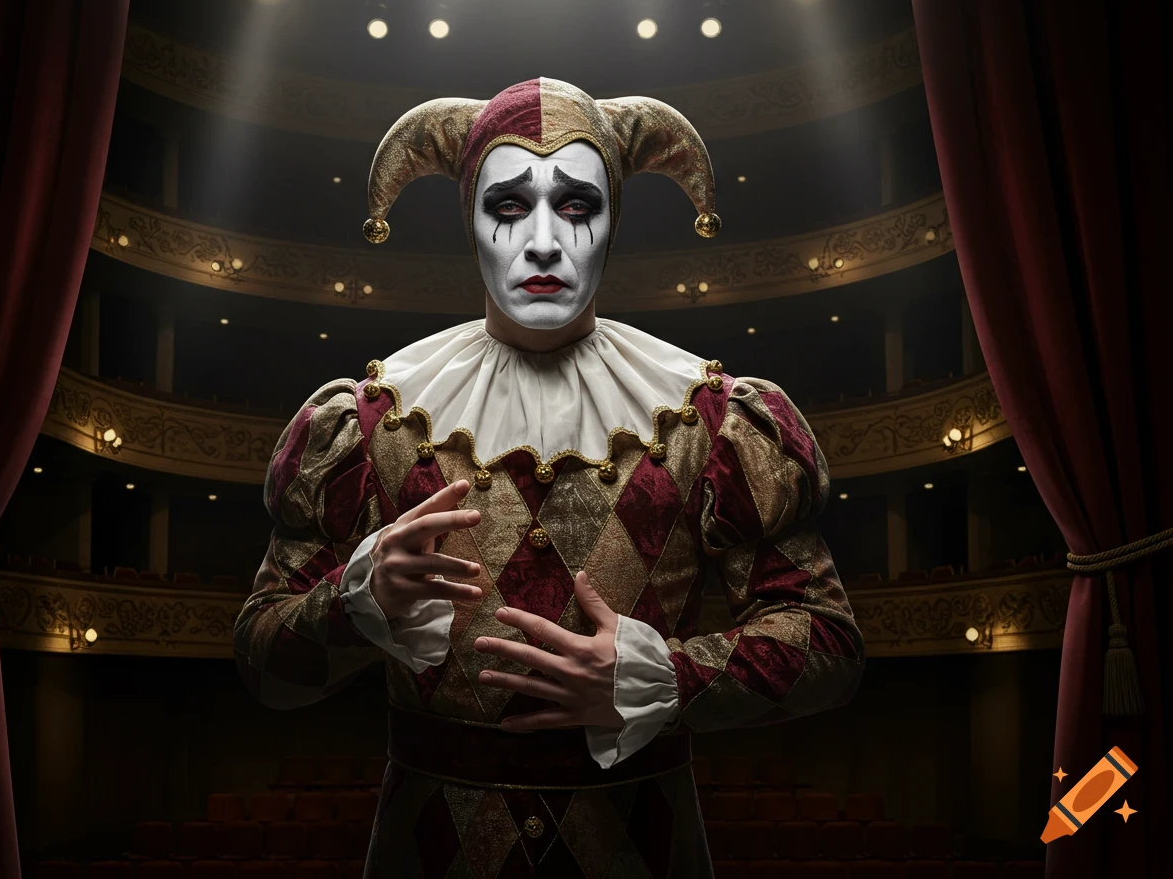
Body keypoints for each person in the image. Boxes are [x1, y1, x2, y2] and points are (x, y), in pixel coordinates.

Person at [234, 78, 865, 878]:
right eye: (506, 206)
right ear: (470, 223)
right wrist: (355, 607)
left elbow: (831, 645)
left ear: (613, 224)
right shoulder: (365, 422)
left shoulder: (714, 419)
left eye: (575, 205)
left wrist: (667, 679)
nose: (541, 242)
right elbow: (259, 661)